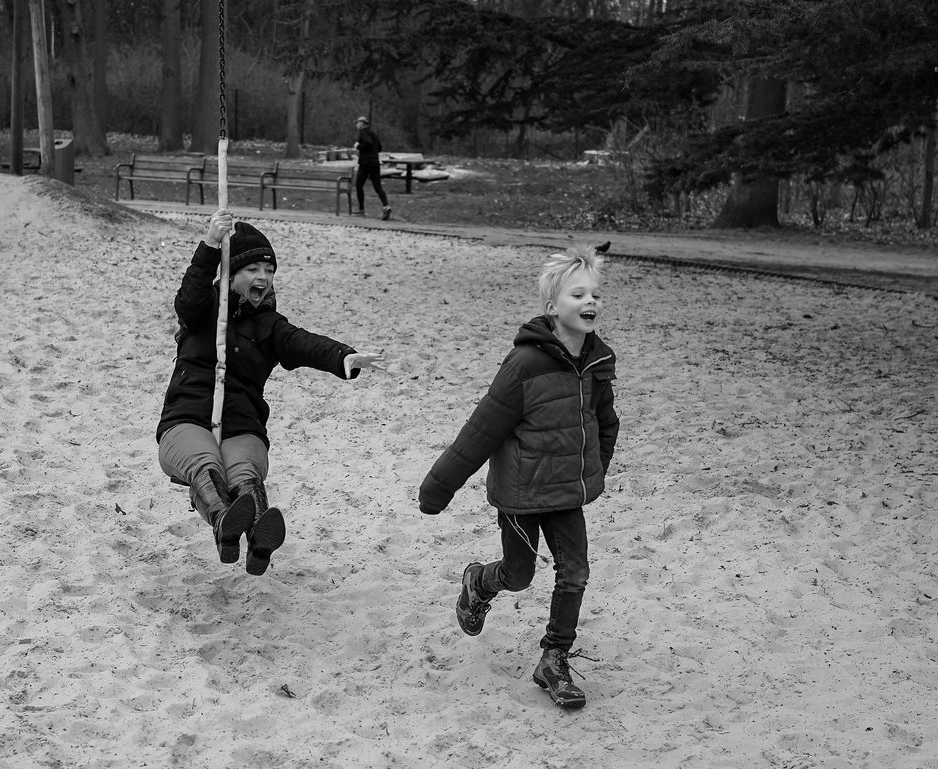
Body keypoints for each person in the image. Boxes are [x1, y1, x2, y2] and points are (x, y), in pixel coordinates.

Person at [419, 243, 619, 709]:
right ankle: (479, 582)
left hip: (567, 492)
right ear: (552, 308)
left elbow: (605, 421)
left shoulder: (597, 361)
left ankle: (554, 659)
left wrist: (594, 468)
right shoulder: (524, 365)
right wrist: (438, 489)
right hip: (520, 495)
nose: (589, 303)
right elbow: (481, 430)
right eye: (577, 295)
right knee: (519, 575)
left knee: (576, 573)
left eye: (595, 294)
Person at [156, 210, 385, 575]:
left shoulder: (270, 326)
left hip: (242, 425)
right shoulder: (203, 311)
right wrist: (211, 245)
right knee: (205, 465)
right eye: (252, 270)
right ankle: (224, 524)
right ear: (231, 275)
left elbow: (305, 344)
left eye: (269, 271)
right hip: (187, 418)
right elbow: (189, 297)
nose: (263, 277)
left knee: (243, 472)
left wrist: (345, 357)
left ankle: (259, 539)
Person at [353, 115, 391, 221]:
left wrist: (358, 146)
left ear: (362, 123)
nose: (356, 124)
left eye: (357, 122)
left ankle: (361, 209)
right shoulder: (374, 133)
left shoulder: (363, 132)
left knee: (359, 185)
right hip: (375, 162)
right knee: (377, 187)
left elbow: (368, 143)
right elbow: (379, 148)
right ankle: (386, 206)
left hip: (365, 163)